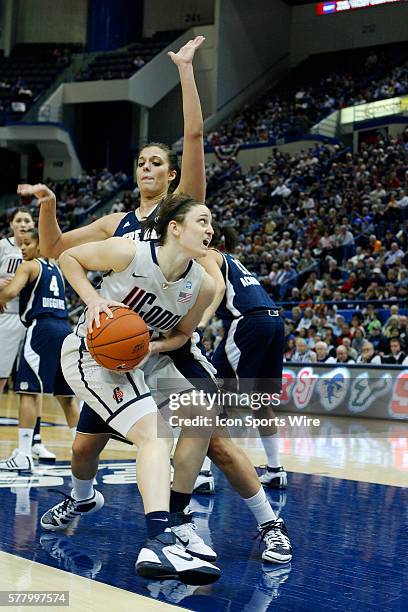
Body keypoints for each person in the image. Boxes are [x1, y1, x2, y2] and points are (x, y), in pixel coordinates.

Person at [19, 37, 291, 566]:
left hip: (166, 344)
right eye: (140, 161)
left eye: (155, 163)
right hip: (114, 347)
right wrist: (50, 207)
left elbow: (192, 132)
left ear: (171, 178)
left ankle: (254, 522)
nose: (146, 168)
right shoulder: (115, 227)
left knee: (210, 435)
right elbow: (54, 250)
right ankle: (82, 499)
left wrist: (186, 72)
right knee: (82, 449)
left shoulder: (183, 211)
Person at [43, 193, 220, 582]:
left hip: (142, 360)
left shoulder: (202, 286)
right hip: (92, 355)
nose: (210, 230)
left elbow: (181, 335)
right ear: (175, 228)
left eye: (211, 223)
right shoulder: (130, 252)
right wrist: (91, 300)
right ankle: (158, 539)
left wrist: (150, 346)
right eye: (202, 221)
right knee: (154, 438)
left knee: (202, 413)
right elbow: (67, 257)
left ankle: (175, 518)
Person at [197, 226, 288, 490]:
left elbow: (219, 287)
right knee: (260, 401)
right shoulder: (232, 259)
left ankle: (202, 474)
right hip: (274, 320)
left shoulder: (206, 255)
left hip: (247, 322)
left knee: (210, 396)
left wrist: (201, 322)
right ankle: (275, 469)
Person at [0, 229, 79, 471]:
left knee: (28, 392)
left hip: (41, 329)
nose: (23, 248)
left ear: (40, 245)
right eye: (21, 244)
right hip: (64, 329)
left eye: (28, 243)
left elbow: (11, 292)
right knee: (66, 397)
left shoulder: (30, 266)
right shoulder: (57, 269)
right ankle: (82, 449)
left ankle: (23, 453)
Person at [0, 209, 54, 462]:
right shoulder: (3, 246)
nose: (23, 224)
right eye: (18, 220)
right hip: (7, 316)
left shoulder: (40, 254)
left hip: (32, 321)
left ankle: (35, 440)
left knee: (34, 385)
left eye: (27, 221)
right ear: (11, 225)